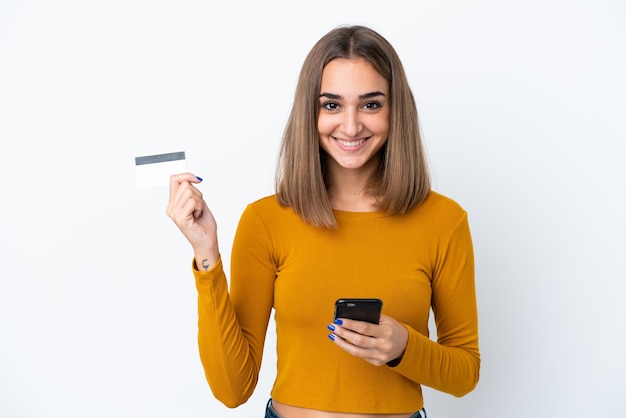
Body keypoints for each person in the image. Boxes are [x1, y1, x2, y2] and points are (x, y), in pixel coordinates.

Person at [166, 24, 480, 418]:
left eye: (370, 104)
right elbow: (233, 388)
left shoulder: (443, 221)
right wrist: (206, 253)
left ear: (396, 109)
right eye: (331, 105)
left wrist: (403, 347)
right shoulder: (266, 221)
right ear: (309, 112)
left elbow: (465, 373)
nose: (350, 126)